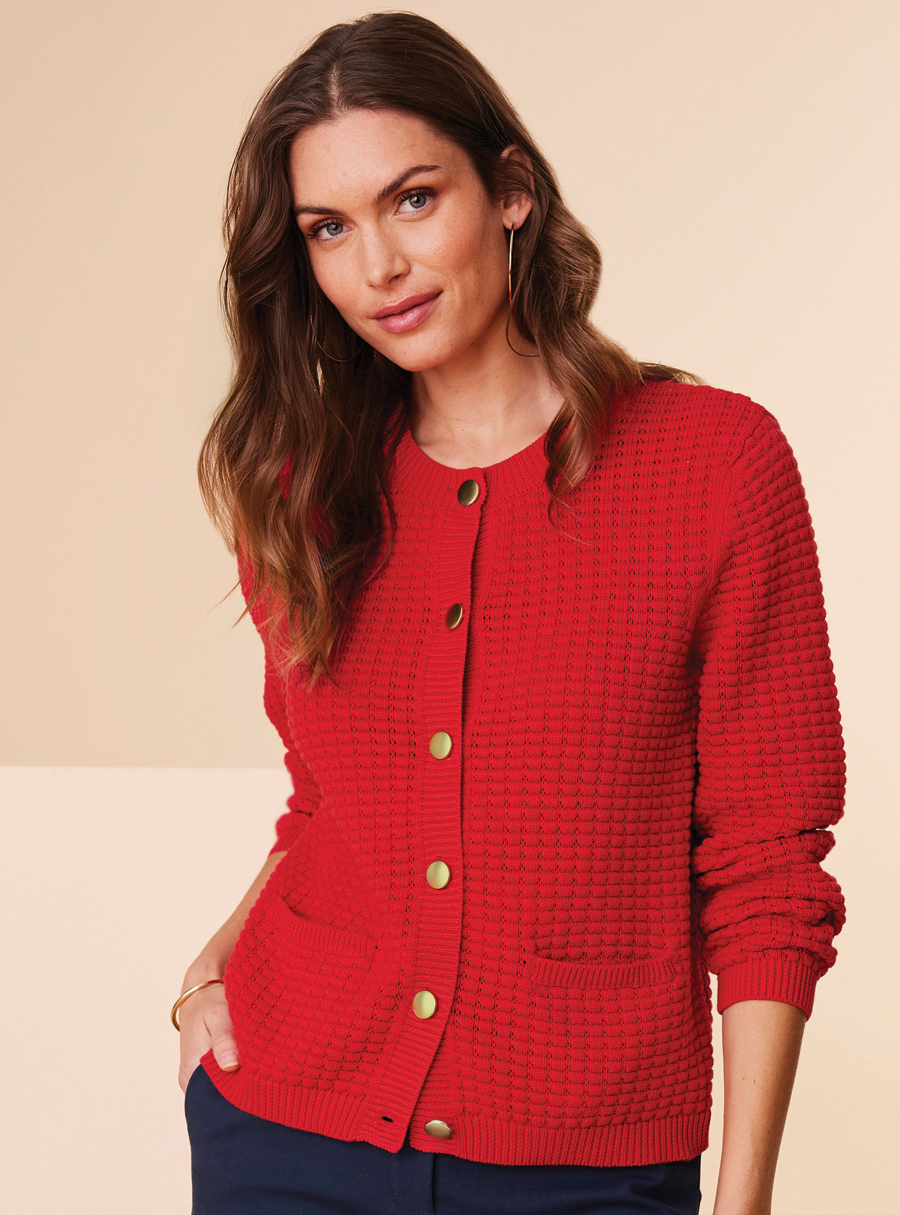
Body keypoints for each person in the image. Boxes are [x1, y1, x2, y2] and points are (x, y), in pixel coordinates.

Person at [174, 12, 846, 1215]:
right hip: (284, 1129)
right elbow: (327, 800)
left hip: (583, 1158)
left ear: (513, 192)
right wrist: (209, 971)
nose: (379, 266)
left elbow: (767, 865)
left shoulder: (711, 464)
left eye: (413, 199)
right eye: (330, 228)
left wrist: (743, 1201)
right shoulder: (303, 488)